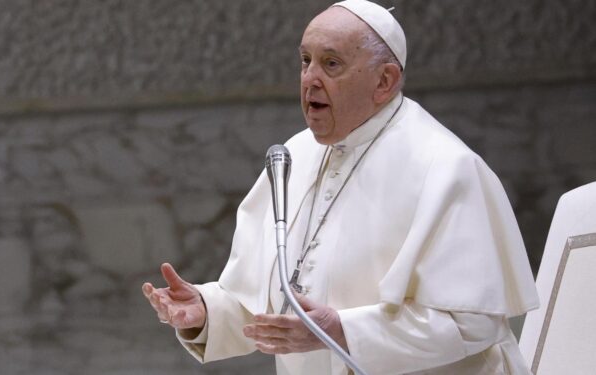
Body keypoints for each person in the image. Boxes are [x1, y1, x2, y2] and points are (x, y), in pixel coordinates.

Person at [142, 1, 539, 374]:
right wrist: (206, 312)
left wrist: (342, 330)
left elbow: (470, 322)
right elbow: (265, 299)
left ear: (385, 80)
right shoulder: (295, 155)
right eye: (305, 60)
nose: (310, 79)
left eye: (331, 64)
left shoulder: (445, 167)